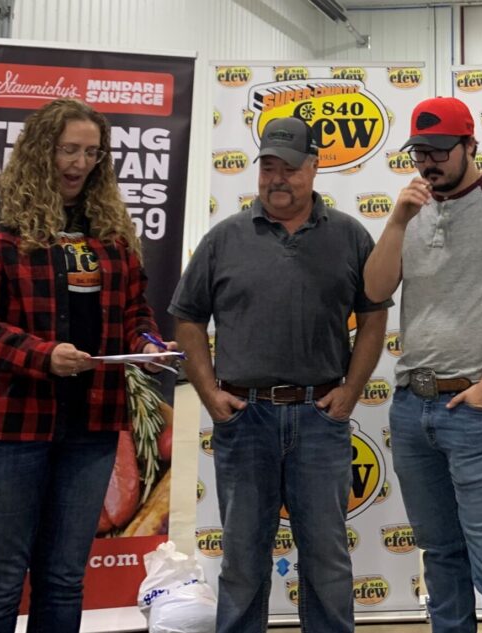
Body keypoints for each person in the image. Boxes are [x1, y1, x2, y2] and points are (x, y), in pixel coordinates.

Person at [0, 98, 169, 632]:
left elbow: (134, 308)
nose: (78, 163)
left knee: (65, 580)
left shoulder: (110, 225)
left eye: (91, 153)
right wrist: (43, 356)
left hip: (90, 429)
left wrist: (145, 342)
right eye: (68, 150)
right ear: (39, 150)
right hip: (6, 428)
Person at [170, 116, 389, 633]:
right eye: (268, 167)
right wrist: (208, 392)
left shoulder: (350, 236)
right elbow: (186, 317)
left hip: (320, 418)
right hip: (244, 421)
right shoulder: (224, 238)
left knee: (328, 562)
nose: (277, 179)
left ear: (313, 168)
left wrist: (351, 391)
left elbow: (375, 315)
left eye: (289, 168)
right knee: (243, 560)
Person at [363, 96, 482, 633]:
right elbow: (374, 289)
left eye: (441, 151)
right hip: (412, 404)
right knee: (439, 554)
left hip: (475, 405)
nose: (429, 163)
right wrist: (397, 218)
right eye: (420, 152)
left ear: (469, 146)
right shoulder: (410, 209)